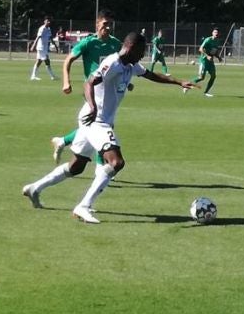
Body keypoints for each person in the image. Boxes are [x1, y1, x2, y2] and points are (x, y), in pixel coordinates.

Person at [22, 32, 196, 223]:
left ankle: (34, 188)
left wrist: (179, 82)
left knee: (76, 167)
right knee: (116, 163)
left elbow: (151, 75)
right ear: (131, 48)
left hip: (97, 120)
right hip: (96, 120)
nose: (143, 55)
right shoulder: (112, 62)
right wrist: (94, 107)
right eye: (141, 51)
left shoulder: (131, 65)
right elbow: (89, 83)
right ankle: (83, 206)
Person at [50, 10, 121, 162]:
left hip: (109, 92)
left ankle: (62, 141)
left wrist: (125, 82)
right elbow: (68, 60)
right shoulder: (89, 43)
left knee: (93, 127)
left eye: (110, 25)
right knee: (103, 127)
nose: (107, 28)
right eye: (105, 24)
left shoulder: (116, 44)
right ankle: (102, 167)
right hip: (92, 92)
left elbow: (121, 65)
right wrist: (66, 81)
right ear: (97, 24)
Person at [192, 28, 222, 97]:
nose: (216, 34)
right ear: (212, 33)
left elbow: (214, 51)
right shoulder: (208, 40)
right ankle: (187, 84)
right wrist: (207, 56)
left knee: (213, 76)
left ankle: (206, 92)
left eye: (217, 32)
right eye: (215, 32)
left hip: (210, 62)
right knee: (201, 77)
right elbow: (200, 49)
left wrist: (218, 57)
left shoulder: (217, 41)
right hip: (204, 60)